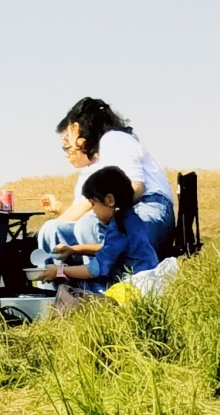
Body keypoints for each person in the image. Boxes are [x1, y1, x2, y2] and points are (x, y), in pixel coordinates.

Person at [37, 96, 175, 261]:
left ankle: (99, 275)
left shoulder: (114, 140)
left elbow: (136, 186)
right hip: (130, 212)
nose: (68, 143)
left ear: (76, 127)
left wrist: (109, 211)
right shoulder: (99, 160)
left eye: (68, 135)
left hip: (146, 210)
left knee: (88, 224)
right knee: (53, 230)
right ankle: (60, 277)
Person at [38, 165, 158, 309]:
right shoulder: (130, 219)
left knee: (78, 287)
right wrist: (74, 250)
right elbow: (108, 248)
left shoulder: (121, 229)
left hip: (135, 287)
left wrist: (59, 271)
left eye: (93, 204)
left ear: (109, 200)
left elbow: (94, 270)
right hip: (147, 281)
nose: (93, 210)